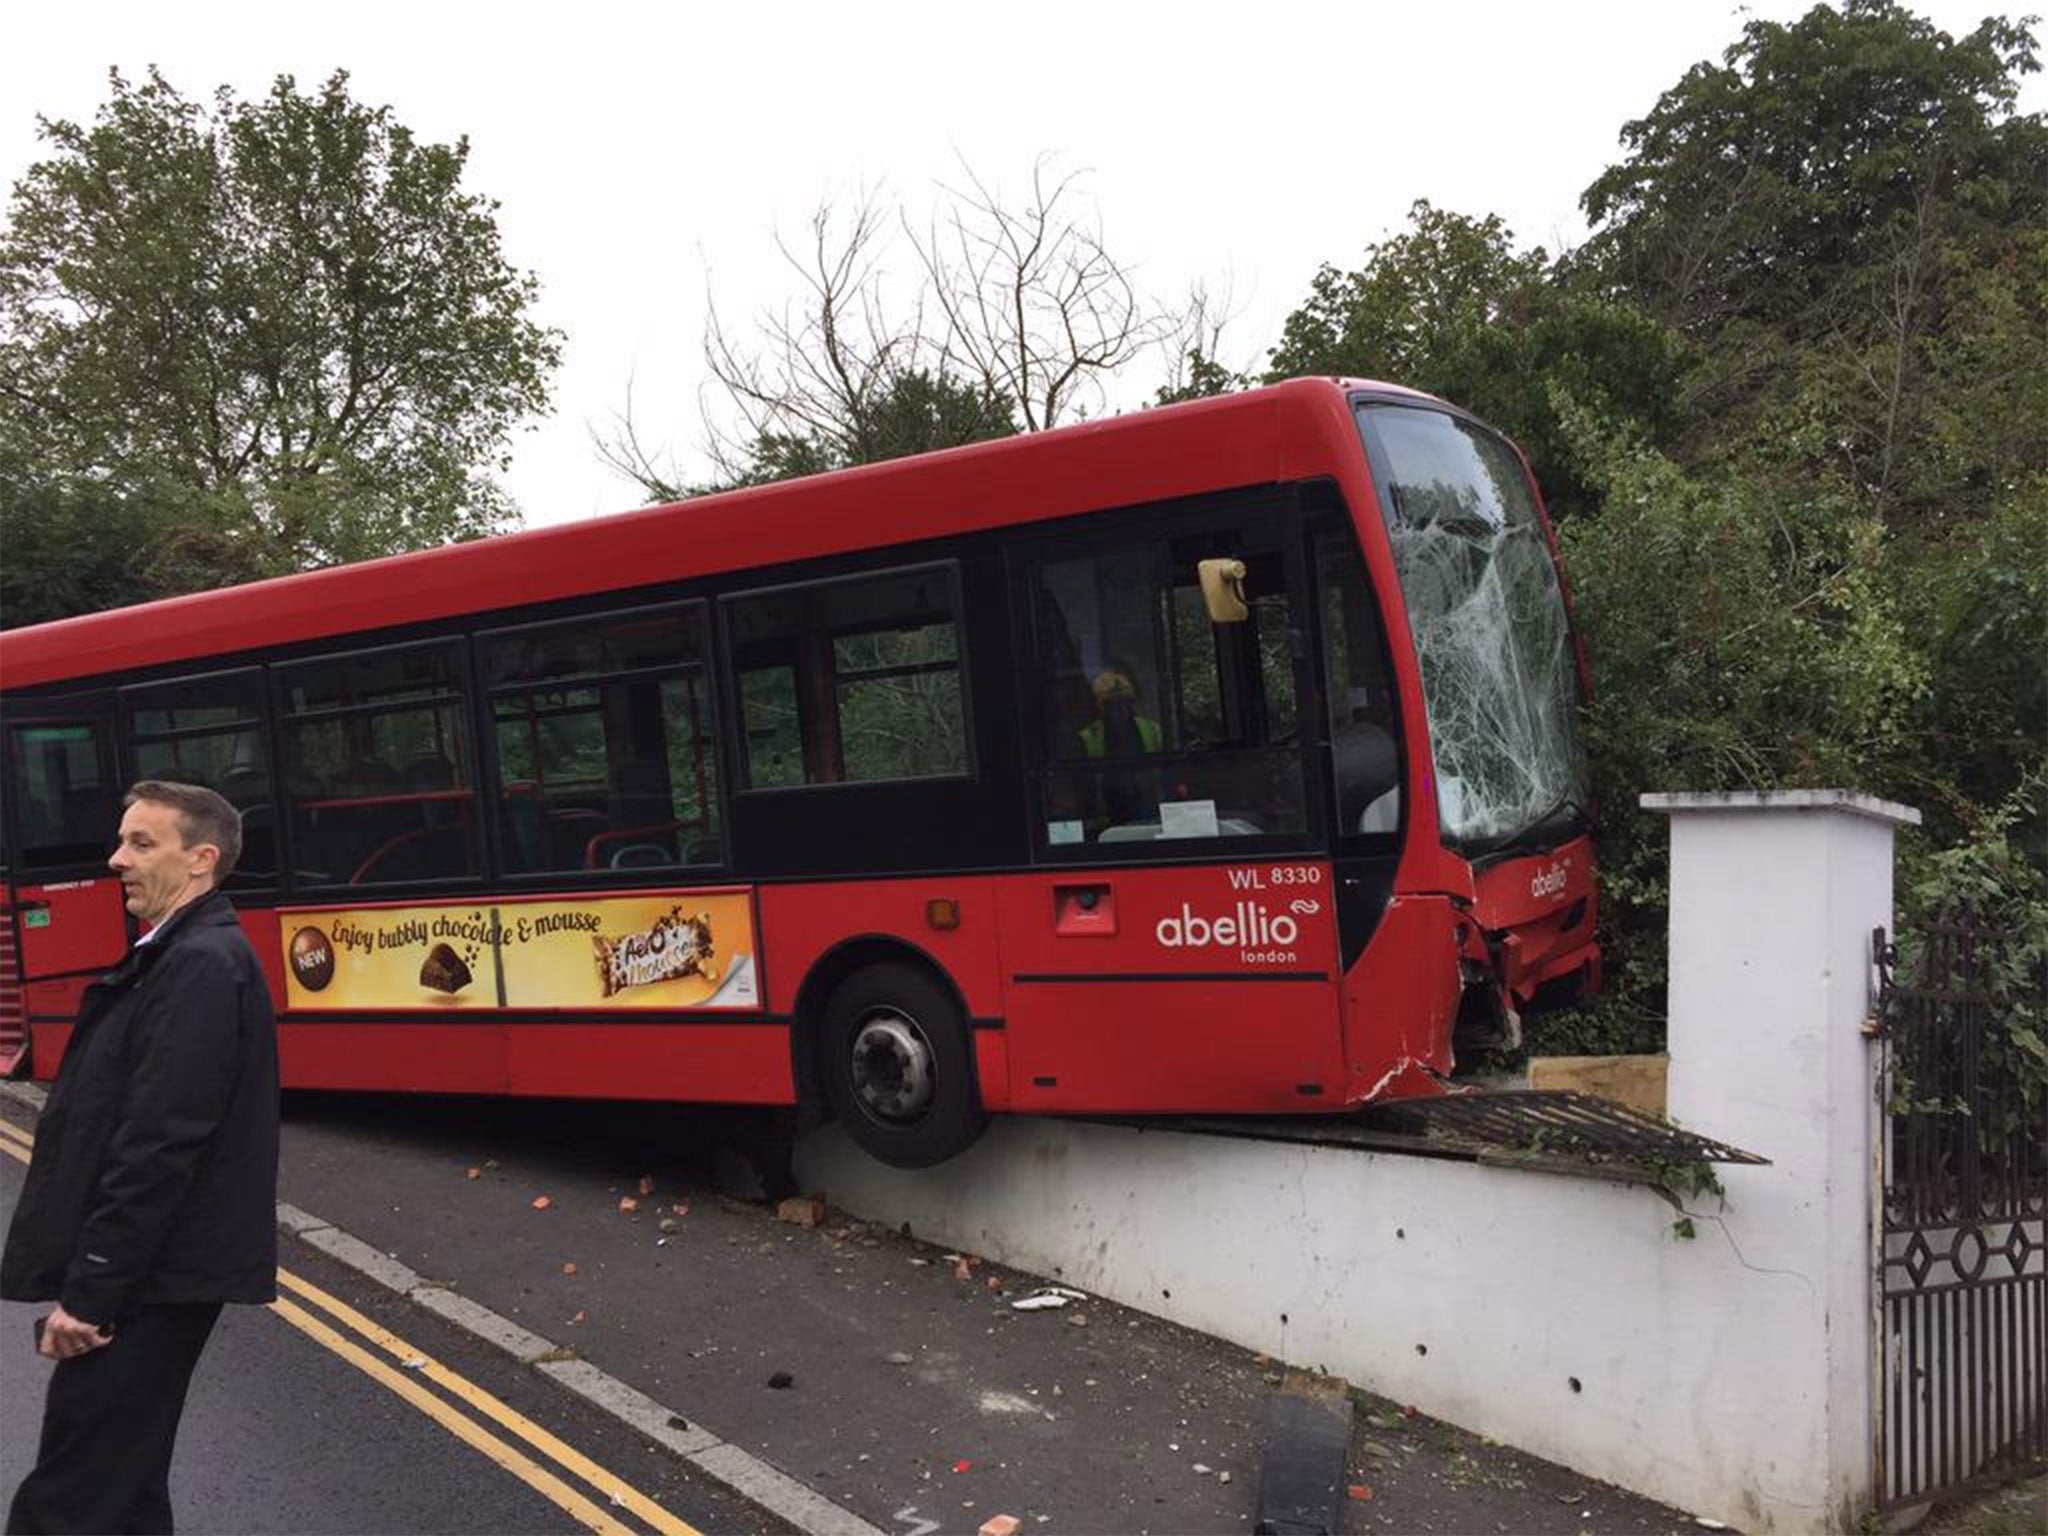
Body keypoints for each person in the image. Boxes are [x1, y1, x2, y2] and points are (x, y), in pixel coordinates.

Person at [3, 781, 279, 1536]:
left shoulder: (198, 966)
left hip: (146, 1282)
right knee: (119, 1489)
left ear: (201, 859)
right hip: (155, 1275)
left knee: (69, 1499)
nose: (116, 857)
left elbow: (158, 1148)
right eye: (123, 840)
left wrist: (91, 1294)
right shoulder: (180, 956)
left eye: (140, 843)